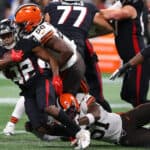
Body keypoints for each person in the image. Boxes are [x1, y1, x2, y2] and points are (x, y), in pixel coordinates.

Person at [0, 17, 90, 149]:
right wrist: (9, 59)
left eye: (8, 34)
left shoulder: (28, 42)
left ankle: (80, 133)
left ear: (14, 32)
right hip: (26, 89)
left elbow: (51, 59)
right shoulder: (1, 50)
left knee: (48, 107)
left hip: (40, 79)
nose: (6, 38)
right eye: (3, 36)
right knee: (40, 127)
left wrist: (55, 76)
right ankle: (74, 133)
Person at [43, 0, 113, 112]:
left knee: (52, 93)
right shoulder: (88, 7)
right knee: (89, 94)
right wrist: (84, 34)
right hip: (78, 55)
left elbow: (44, 30)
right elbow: (108, 27)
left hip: (57, 53)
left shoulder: (52, 6)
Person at [100, 0, 150, 107]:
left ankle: (138, 121)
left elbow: (113, 14)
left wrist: (90, 10)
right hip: (130, 62)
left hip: (138, 61)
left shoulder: (132, 6)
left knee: (138, 100)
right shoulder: (122, 5)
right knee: (126, 95)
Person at [59, 93, 150, 147]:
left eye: (71, 110)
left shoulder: (83, 101)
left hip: (126, 119)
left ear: (75, 104)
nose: (71, 114)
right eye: (68, 113)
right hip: (125, 137)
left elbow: (96, 114)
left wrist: (76, 123)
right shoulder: (70, 127)